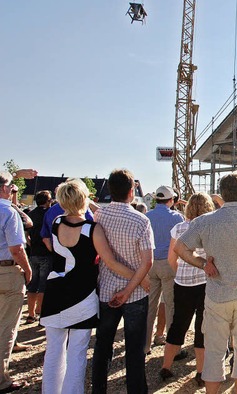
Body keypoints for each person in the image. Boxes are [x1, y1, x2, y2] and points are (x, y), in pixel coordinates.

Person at [39, 179, 145, 394]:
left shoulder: (57, 222)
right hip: (81, 293)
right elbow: (111, 262)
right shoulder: (91, 229)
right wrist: (140, 278)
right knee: (77, 353)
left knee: (53, 351)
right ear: (83, 198)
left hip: (55, 290)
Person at [174, 172, 237, 394]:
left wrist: (202, 264)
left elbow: (180, 248)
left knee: (214, 351)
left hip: (217, 296)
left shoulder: (205, 221)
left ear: (221, 195)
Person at [91, 169, 154, 394]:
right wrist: (129, 291)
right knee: (134, 349)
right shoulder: (141, 220)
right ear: (132, 191)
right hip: (135, 292)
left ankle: (98, 389)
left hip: (107, 289)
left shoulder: (100, 216)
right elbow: (147, 262)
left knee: (102, 346)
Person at [160, 192, 220, 387]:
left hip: (182, 283)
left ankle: (166, 366)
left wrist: (180, 273)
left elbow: (172, 258)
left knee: (178, 323)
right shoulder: (211, 227)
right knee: (202, 328)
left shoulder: (178, 228)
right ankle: (201, 372)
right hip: (205, 282)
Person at [0, 171, 32, 393]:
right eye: (12, 187)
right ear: (5, 189)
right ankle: (1, 380)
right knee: (6, 328)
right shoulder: (9, 213)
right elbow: (16, 248)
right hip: (7, 271)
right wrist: (27, 270)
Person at [144, 186, 185, 354]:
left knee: (150, 306)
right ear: (171, 200)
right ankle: (173, 347)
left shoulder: (147, 216)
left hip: (150, 264)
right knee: (171, 305)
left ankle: (145, 346)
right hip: (168, 263)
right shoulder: (177, 217)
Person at [24, 190, 53, 324]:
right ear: (47, 201)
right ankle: (40, 312)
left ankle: (30, 314)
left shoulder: (30, 214)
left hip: (33, 253)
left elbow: (26, 234)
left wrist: (31, 245)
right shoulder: (49, 214)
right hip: (46, 253)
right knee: (43, 285)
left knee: (32, 284)